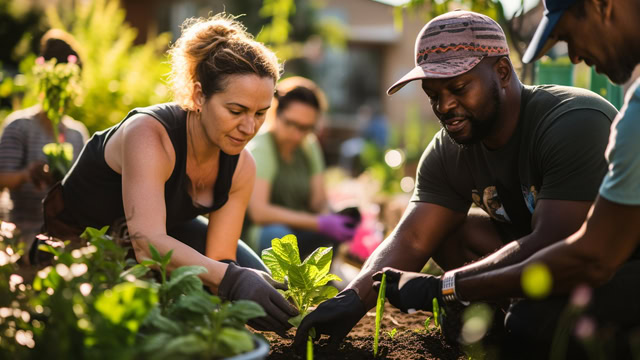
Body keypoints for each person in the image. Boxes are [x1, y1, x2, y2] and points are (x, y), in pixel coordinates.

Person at [294, 10, 620, 350]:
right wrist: (352, 299)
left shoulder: (572, 122)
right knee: (450, 231)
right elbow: (415, 237)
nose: (445, 105)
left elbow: (554, 241)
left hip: (603, 268)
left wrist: (447, 287)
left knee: (535, 326)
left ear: (503, 72)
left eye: (459, 87)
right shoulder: (449, 149)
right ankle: (494, 321)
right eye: (433, 93)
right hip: (529, 272)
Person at [37, 14, 298, 335]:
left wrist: (232, 303)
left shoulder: (242, 166)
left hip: (159, 240)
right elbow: (147, 244)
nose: (248, 128)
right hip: (80, 245)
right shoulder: (149, 135)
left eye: (260, 114)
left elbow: (219, 261)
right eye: (236, 111)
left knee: (253, 276)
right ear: (200, 96)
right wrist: (230, 280)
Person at [245, 76, 357, 258]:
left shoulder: (308, 145)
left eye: (306, 128)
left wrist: (332, 218)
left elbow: (318, 202)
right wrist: (318, 223)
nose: (297, 135)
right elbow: (259, 212)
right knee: (278, 236)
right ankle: (276, 284)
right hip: (262, 234)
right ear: (276, 114)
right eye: (291, 124)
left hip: (299, 228)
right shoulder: (262, 146)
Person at [0, 29, 89, 251]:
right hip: (21, 232)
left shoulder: (77, 133)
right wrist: (27, 174)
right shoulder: (19, 125)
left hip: (65, 236)